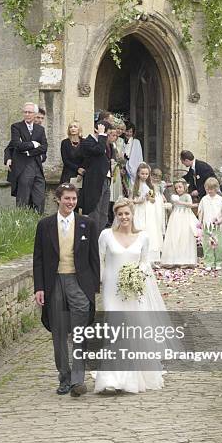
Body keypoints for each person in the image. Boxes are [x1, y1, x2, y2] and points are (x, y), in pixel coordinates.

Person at [33, 184, 100, 396]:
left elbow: (94, 258)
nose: (70, 203)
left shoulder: (86, 224)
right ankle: (64, 377)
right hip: (54, 283)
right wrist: (39, 288)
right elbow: (38, 259)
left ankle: (78, 380)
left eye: (73, 199)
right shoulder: (45, 225)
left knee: (80, 332)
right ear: (58, 199)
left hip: (78, 283)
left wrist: (93, 288)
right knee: (59, 333)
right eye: (67, 199)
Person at [94, 198, 166, 394]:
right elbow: (100, 261)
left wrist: (136, 276)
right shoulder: (106, 235)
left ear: (132, 214)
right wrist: (99, 284)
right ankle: (111, 377)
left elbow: (145, 262)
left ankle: (132, 376)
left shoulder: (143, 237)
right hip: (112, 290)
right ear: (115, 216)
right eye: (120, 214)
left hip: (133, 289)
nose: (124, 217)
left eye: (127, 213)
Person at [5, 102, 47, 213]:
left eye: (30, 112)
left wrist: (29, 152)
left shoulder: (40, 130)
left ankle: (38, 225)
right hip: (23, 167)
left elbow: (44, 147)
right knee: (23, 201)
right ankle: (22, 226)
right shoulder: (16, 127)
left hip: (37, 167)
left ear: (34, 114)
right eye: (25, 112)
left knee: (39, 199)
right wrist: (33, 144)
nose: (27, 114)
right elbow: (15, 145)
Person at [80, 121, 112, 233]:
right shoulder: (87, 142)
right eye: (106, 133)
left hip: (106, 178)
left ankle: (101, 237)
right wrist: (102, 135)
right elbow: (98, 150)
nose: (107, 136)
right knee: (96, 210)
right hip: (95, 180)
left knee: (104, 212)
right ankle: (94, 238)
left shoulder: (104, 142)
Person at [161, 179, 198, 268]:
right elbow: (174, 206)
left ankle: (185, 260)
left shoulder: (187, 196)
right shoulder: (175, 196)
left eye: (180, 187)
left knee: (184, 237)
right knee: (174, 236)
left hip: (185, 216)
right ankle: (172, 259)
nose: (178, 189)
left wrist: (179, 202)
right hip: (175, 216)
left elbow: (190, 205)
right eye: (176, 188)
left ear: (184, 187)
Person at [132, 162, 163, 263]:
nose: (144, 176)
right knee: (140, 229)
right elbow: (132, 200)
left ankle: (151, 257)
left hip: (149, 211)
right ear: (138, 174)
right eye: (142, 174)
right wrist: (140, 199)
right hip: (139, 210)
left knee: (150, 231)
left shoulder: (150, 185)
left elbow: (153, 200)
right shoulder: (135, 185)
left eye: (146, 174)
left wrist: (150, 198)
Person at [198, 177, 222, 271]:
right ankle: (208, 262)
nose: (209, 191)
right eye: (207, 189)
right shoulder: (204, 199)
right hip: (207, 225)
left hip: (217, 225)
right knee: (207, 245)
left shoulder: (220, 199)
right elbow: (200, 211)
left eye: (211, 189)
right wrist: (200, 222)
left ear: (216, 189)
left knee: (218, 245)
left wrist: (220, 220)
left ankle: (219, 262)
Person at [60, 120, 85, 184]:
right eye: (71, 127)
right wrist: (77, 169)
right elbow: (65, 160)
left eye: (75, 127)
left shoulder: (84, 142)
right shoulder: (65, 142)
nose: (73, 128)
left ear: (79, 129)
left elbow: (86, 159)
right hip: (68, 173)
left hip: (82, 173)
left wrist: (81, 172)